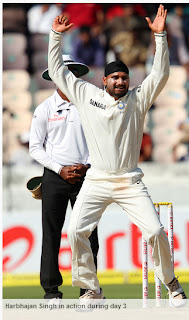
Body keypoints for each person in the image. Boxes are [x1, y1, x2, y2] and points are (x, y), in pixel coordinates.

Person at [48, 5, 187, 305]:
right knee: (75, 231)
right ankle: (91, 288)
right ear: (105, 81)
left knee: (155, 230)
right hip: (96, 178)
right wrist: (55, 38)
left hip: (129, 179)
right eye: (115, 78)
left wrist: (160, 36)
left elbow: (160, 73)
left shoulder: (138, 99)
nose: (121, 82)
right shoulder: (86, 96)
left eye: (124, 78)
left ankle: (172, 282)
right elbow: (58, 72)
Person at [29, 54, 99, 302]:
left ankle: (87, 289)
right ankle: (51, 292)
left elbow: (99, 139)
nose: (67, 77)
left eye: (71, 72)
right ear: (55, 77)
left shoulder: (90, 104)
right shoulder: (44, 109)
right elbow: (35, 148)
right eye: (62, 72)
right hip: (55, 178)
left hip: (86, 176)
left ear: (76, 76)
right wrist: (60, 169)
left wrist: (87, 165)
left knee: (87, 233)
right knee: (52, 234)